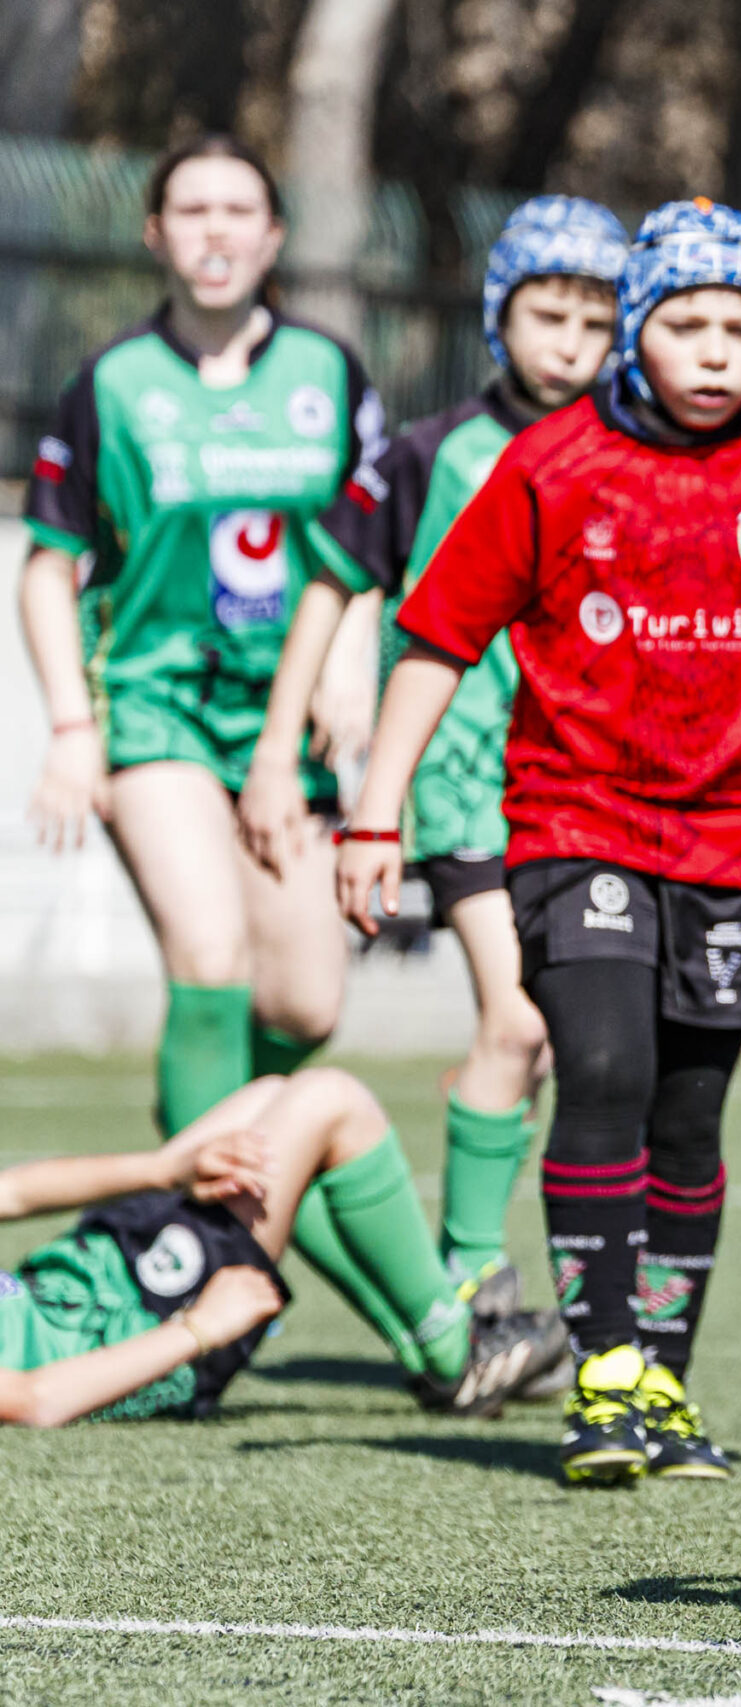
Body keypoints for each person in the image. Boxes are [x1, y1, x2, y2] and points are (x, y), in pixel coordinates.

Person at [338, 199, 741, 1486]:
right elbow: (432, 644)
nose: (714, 349)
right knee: (598, 1064)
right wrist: (375, 812)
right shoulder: (548, 466)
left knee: (690, 1117)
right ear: (634, 334)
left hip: (726, 847)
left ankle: (660, 1375)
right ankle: (601, 1372)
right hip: (573, 824)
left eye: (740, 325)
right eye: (685, 323)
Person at [261, 197, 629, 1327]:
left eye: (593, 319)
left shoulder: (628, 453)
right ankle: (471, 1272)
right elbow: (332, 576)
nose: (570, 340)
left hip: (587, 780)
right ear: (497, 317)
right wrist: (288, 743)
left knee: (557, 1036)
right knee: (518, 1022)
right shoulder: (427, 454)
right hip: (466, 782)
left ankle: (475, 1243)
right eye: (546, 313)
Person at [21, 134, 383, 1138]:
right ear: (155, 235)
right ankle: (208, 1237)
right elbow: (48, 567)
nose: (214, 231)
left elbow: (363, 551)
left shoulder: (329, 371)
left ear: (272, 237)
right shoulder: (112, 383)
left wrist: (351, 655)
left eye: (236, 211)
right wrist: (68, 727)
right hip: (155, 703)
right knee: (212, 960)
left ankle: (204, 1122)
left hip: (286, 721)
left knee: (305, 1003)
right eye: (191, 211)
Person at [0, 1068, 565, 1426]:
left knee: (268, 1097)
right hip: (135, 1325)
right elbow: (33, 1400)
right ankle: (455, 1354)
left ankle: (436, 1346)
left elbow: (16, 1190)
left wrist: (165, 1167)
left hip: (93, 1265)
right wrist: (195, 1330)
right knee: (331, 1101)